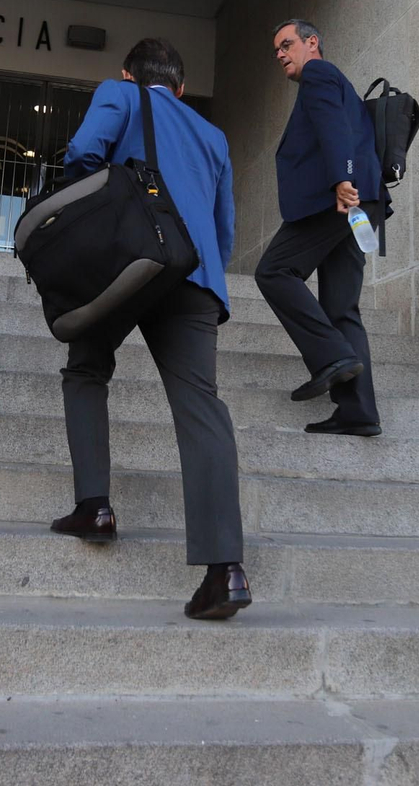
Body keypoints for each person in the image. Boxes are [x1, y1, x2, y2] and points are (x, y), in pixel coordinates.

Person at [48, 38, 250, 620]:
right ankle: (225, 570)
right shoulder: (213, 137)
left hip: (127, 264)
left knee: (86, 365)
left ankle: (96, 507)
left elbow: (85, 155)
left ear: (127, 75)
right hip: (195, 275)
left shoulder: (120, 95)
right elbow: (223, 230)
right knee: (201, 407)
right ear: (182, 89)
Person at [255, 19, 387, 437]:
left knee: (274, 271)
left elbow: (335, 127)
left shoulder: (319, 72)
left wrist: (341, 178)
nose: (280, 53)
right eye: (275, 49)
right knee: (341, 308)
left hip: (340, 199)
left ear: (312, 43)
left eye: (286, 44)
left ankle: (331, 357)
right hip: (359, 201)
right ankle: (358, 411)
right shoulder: (330, 80)